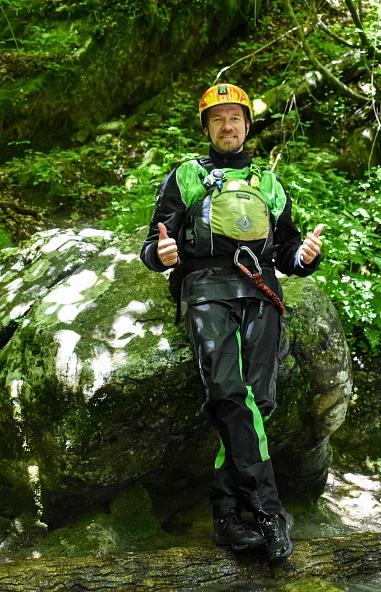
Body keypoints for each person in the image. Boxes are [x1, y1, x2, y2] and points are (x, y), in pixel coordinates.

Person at [140, 83, 324, 565]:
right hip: (205, 289)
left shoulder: (267, 182)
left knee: (257, 402)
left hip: (261, 291)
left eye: (235, 118)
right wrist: (161, 255)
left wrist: (303, 258)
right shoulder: (185, 176)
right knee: (227, 392)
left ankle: (226, 517)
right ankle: (268, 510)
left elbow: (287, 249)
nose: (227, 126)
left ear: (246, 126)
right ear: (207, 127)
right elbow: (152, 245)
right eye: (218, 119)